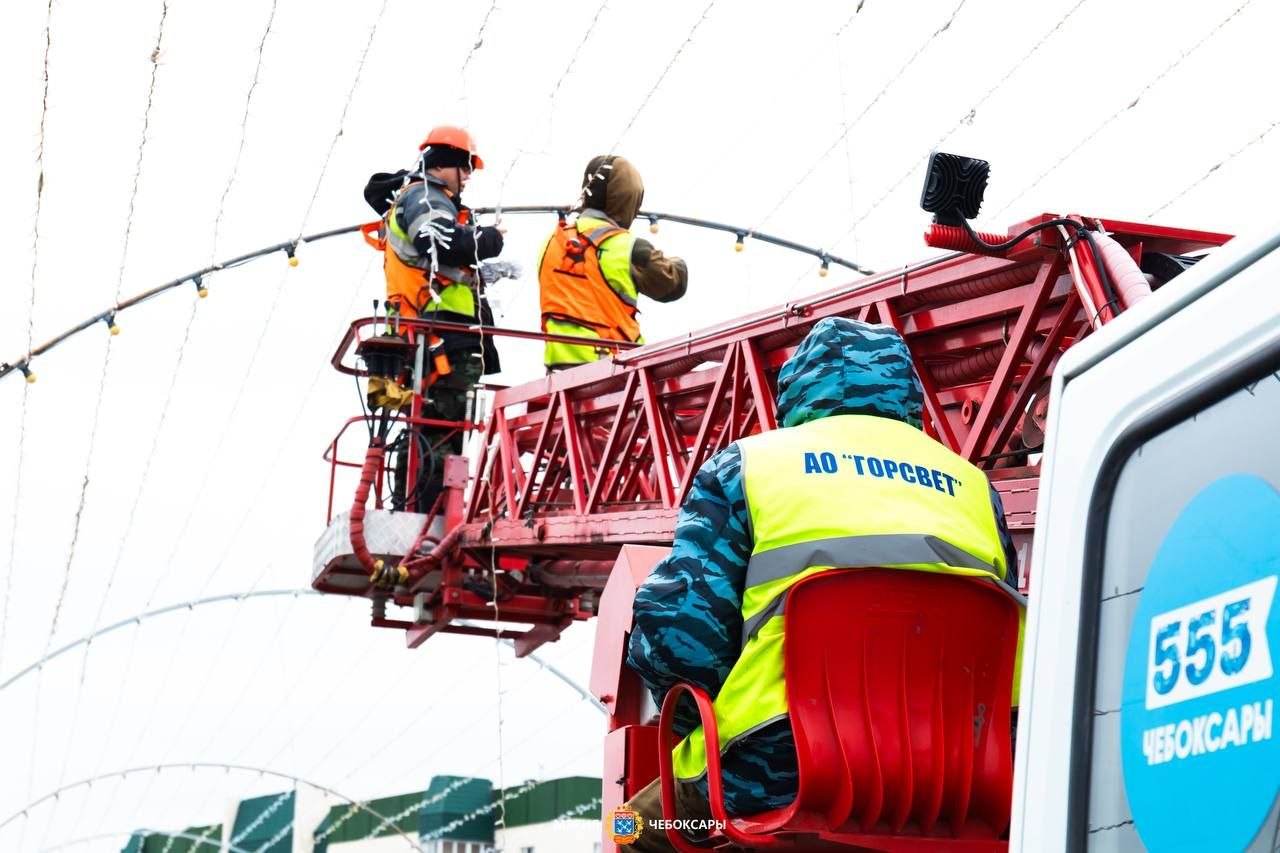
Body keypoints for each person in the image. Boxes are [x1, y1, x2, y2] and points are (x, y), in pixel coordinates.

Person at [622, 317, 1021, 852]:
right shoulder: (977, 490)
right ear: (907, 393)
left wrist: (698, 723)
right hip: (963, 778)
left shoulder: (750, 467)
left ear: (797, 387)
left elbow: (678, 632)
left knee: (630, 826)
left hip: (781, 767)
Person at [363, 125, 509, 511]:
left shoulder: (419, 199)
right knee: (441, 430)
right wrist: (490, 239)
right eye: (466, 169)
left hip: (432, 333)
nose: (467, 179)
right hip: (440, 334)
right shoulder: (427, 199)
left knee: (430, 427)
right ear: (448, 164)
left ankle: (416, 507)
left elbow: (435, 259)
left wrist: (480, 271)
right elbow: (440, 241)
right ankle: (431, 511)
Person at [537, 155, 688, 371]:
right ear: (628, 199)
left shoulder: (550, 242)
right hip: (612, 370)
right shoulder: (629, 247)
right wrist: (678, 262)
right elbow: (672, 284)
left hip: (557, 368)